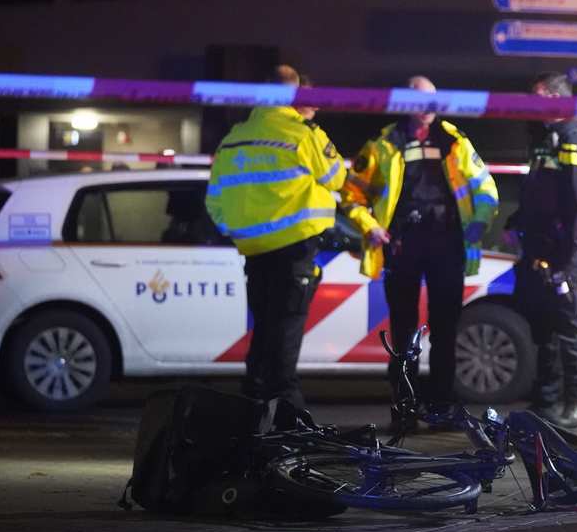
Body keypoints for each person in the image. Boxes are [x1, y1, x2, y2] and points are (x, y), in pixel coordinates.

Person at [342, 76, 499, 425]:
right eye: (418, 100)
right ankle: (405, 408)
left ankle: (443, 406)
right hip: (402, 246)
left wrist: (479, 223)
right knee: (403, 331)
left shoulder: (454, 141)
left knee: (446, 330)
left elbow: (485, 188)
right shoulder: (385, 143)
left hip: (447, 245)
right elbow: (352, 194)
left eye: (432, 101)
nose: (427, 108)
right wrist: (372, 227)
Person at [206, 64, 347, 409]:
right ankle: (287, 413)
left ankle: (252, 405)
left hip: (254, 250)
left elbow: (214, 199)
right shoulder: (301, 133)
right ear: (296, 93)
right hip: (294, 247)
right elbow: (336, 177)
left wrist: (238, 229)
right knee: (285, 332)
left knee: (265, 329)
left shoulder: (234, 137)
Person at [508, 73, 577, 429]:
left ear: (557, 99)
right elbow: (538, 192)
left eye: (538, 97)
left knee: (568, 327)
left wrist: (565, 261)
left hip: (562, 253)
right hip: (537, 248)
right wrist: (516, 221)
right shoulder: (545, 139)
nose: (533, 104)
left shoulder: (576, 140)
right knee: (543, 327)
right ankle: (547, 402)